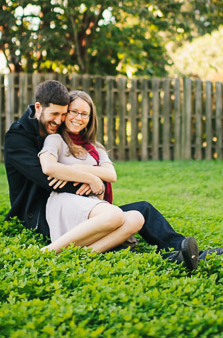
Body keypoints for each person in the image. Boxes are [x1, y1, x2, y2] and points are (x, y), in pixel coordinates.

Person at [4, 80, 223, 271]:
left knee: (140, 211)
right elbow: (47, 177)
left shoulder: (80, 142)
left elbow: (107, 173)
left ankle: (183, 251)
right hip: (41, 212)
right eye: (59, 115)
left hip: (82, 203)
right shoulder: (23, 137)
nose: (60, 120)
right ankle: (168, 256)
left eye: (65, 114)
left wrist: (92, 181)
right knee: (115, 221)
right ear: (39, 108)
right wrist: (92, 182)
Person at [38, 90, 144, 253]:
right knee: (115, 215)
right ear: (66, 114)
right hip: (66, 200)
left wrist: (77, 169)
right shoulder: (56, 140)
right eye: (74, 112)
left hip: (91, 202)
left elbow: (111, 175)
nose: (79, 118)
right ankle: (48, 251)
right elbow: (48, 167)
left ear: (90, 119)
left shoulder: (94, 147)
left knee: (136, 218)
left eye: (84, 114)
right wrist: (93, 178)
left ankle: (86, 254)